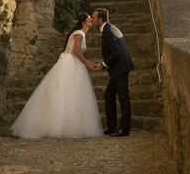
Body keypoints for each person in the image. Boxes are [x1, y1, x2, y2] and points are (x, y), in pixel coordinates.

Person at [11, 12, 103, 138]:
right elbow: (76, 51)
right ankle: (62, 126)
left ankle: (69, 126)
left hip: (72, 63)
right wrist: (88, 64)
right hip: (70, 63)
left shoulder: (81, 33)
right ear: (83, 22)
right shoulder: (78, 33)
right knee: (66, 93)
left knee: (71, 94)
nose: (91, 21)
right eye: (88, 19)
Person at [91, 7, 135, 137]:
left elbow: (116, 52)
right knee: (109, 95)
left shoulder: (107, 32)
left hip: (119, 69)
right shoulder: (110, 28)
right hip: (118, 68)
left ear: (100, 19)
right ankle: (112, 127)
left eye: (93, 18)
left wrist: (103, 65)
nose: (92, 20)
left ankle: (125, 129)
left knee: (123, 98)